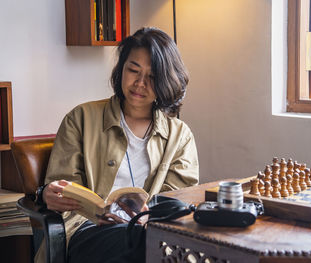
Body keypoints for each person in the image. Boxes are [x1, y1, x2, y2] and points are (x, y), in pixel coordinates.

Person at [34, 27, 199, 263]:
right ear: (121, 69)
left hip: (149, 233)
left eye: (152, 77)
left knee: (163, 243)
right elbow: (65, 187)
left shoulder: (180, 137)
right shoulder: (81, 118)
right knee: (143, 243)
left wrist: (145, 218)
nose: (140, 83)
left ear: (166, 80)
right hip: (87, 230)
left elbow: (178, 202)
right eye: (133, 70)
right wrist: (53, 194)